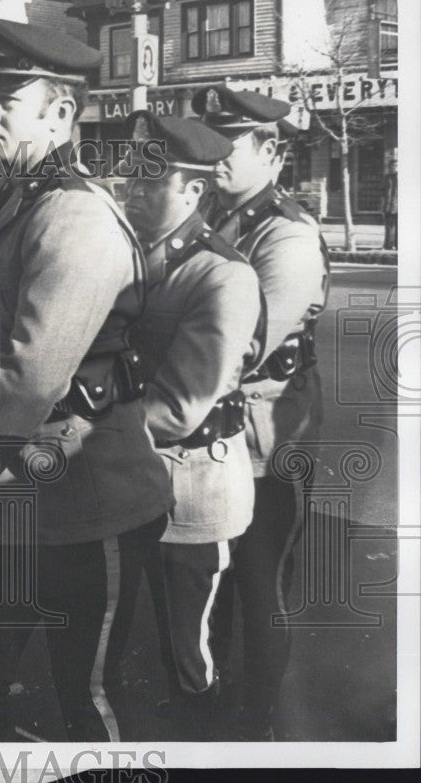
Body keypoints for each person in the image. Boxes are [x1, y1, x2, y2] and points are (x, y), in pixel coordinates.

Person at [0, 17, 173, 742]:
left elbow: (32, 371)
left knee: (86, 700)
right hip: (18, 499)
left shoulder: (74, 216)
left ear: (62, 112)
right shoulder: (21, 198)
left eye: (9, 97)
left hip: (86, 500)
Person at [120, 111, 264, 740]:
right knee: (146, 624)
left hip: (192, 485)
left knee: (190, 640)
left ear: (194, 191)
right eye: (133, 175)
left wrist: (89, 438)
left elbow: (182, 405)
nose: (133, 188)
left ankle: (201, 737)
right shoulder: (133, 255)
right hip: (138, 476)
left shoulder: (222, 274)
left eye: (153, 179)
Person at [192, 84, 330, 740]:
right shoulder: (221, 219)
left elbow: (242, 343)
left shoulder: (289, 236)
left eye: (230, 142)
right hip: (215, 436)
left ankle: (259, 724)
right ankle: (214, 701)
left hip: (266, 438)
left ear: (271, 149)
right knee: (213, 583)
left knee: (258, 586)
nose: (213, 154)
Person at [381, 153, 397, 250]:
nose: (393, 168)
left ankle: (398, 245)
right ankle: (388, 245)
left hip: (398, 205)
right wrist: (383, 204)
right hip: (388, 205)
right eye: (391, 166)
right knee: (389, 227)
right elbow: (383, 191)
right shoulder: (387, 177)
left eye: (395, 166)